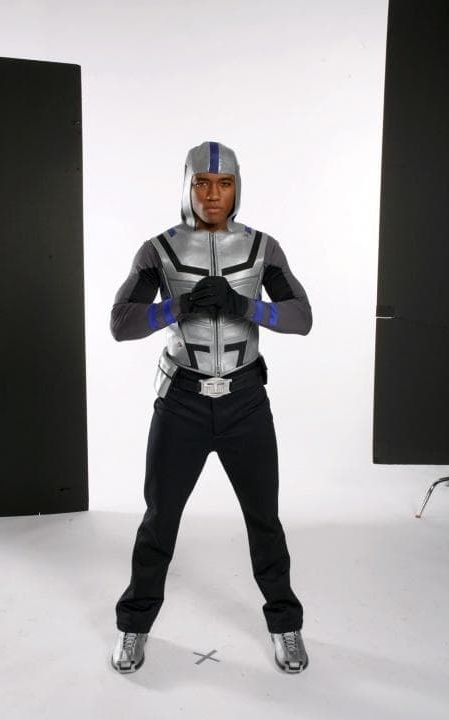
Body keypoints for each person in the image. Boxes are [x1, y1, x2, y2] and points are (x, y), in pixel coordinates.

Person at [109, 140, 313, 674]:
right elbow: (121, 324)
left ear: (237, 187)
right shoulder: (158, 250)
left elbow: (301, 317)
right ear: (187, 186)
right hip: (183, 400)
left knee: (264, 521)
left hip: (246, 401)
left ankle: (285, 625)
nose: (213, 194)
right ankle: (133, 627)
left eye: (224, 183)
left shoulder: (263, 247)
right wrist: (178, 305)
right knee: (159, 521)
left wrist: (246, 306)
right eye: (202, 182)